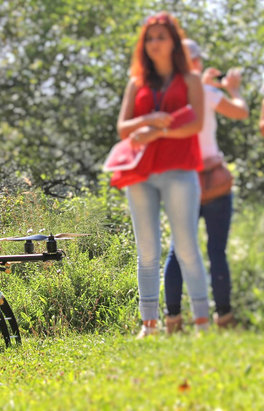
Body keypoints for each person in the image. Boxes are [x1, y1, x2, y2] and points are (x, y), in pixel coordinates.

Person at [114, 12, 209, 337]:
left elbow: (195, 124)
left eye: (161, 37)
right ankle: (149, 324)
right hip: (140, 174)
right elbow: (122, 128)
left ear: (174, 42)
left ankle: (202, 323)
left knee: (186, 247)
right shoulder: (136, 82)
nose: (155, 43)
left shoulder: (191, 79)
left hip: (180, 171)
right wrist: (150, 119)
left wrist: (155, 133)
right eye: (150, 38)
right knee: (147, 251)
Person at [163, 39, 249, 332]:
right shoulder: (208, 93)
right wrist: (232, 88)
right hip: (213, 182)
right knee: (217, 251)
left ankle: (173, 319)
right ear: (197, 63)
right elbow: (240, 112)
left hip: (180, 182)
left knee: (178, 250)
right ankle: (223, 317)